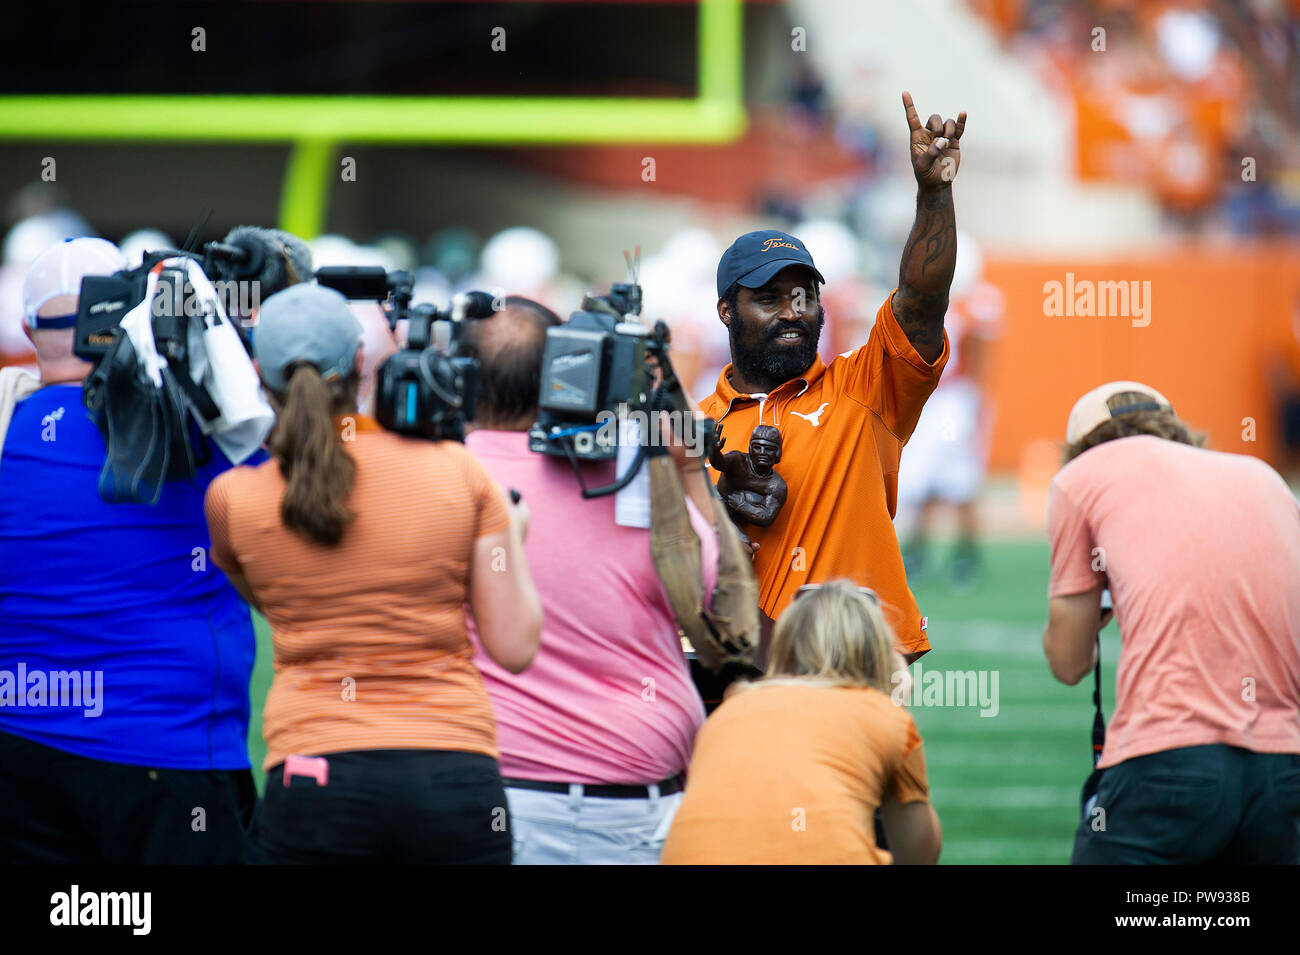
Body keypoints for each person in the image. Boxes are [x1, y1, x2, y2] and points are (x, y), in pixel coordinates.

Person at [205, 283, 541, 864]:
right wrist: (509, 534)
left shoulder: (234, 499)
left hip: (312, 774)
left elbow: (273, 601)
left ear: (258, 370)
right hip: (453, 772)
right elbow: (513, 646)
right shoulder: (459, 472)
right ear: (362, 362)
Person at [0, 238, 261, 863]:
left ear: (30, 327)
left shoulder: (11, 421)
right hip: (165, 751)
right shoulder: (199, 428)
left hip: (20, 742)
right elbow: (303, 484)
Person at [698, 91, 967, 662]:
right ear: (726, 312)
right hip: (742, 675)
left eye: (803, 295)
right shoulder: (696, 430)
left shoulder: (866, 389)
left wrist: (934, 194)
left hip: (859, 670)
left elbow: (921, 300)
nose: (792, 310)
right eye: (768, 298)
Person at [457, 296, 721, 865]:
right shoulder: (633, 469)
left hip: (491, 796)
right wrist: (688, 467)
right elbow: (712, 596)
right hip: (635, 809)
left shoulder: (439, 474)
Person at [1043, 381, 1300, 864]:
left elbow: (1068, 661)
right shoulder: (1264, 477)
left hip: (1167, 757)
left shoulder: (1081, 478)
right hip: (1282, 764)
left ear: (1082, 445)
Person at [660, 579, 941, 865]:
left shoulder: (731, 708)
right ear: (877, 652)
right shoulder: (884, 717)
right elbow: (918, 855)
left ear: (784, 643)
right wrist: (895, 704)